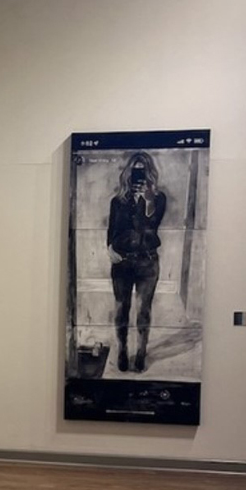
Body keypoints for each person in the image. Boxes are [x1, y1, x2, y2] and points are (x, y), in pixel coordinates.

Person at [107, 151, 166, 373]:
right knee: (121, 308)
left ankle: (141, 352)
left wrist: (148, 201)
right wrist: (109, 249)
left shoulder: (158, 199)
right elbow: (112, 230)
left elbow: (152, 225)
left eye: (143, 171)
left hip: (147, 262)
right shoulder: (117, 201)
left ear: (150, 173)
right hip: (122, 262)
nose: (138, 176)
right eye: (135, 171)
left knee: (143, 310)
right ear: (128, 173)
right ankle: (122, 349)